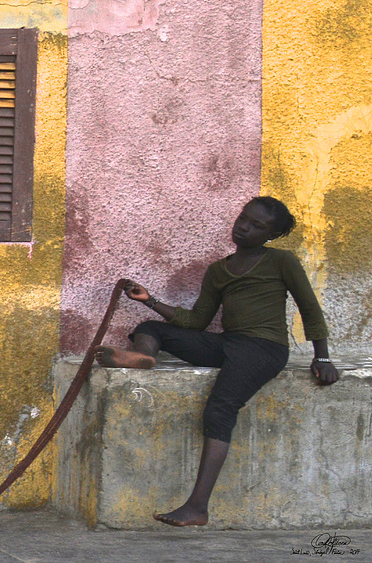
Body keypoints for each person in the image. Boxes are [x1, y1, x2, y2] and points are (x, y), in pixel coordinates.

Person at [95, 196, 339, 527]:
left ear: (270, 235)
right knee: (151, 328)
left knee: (220, 409)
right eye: (244, 218)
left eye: (257, 226)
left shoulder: (282, 261)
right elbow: (196, 321)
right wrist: (149, 300)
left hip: (263, 349)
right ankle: (144, 355)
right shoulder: (218, 270)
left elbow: (309, 307)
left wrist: (321, 356)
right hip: (229, 343)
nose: (245, 227)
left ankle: (197, 507)